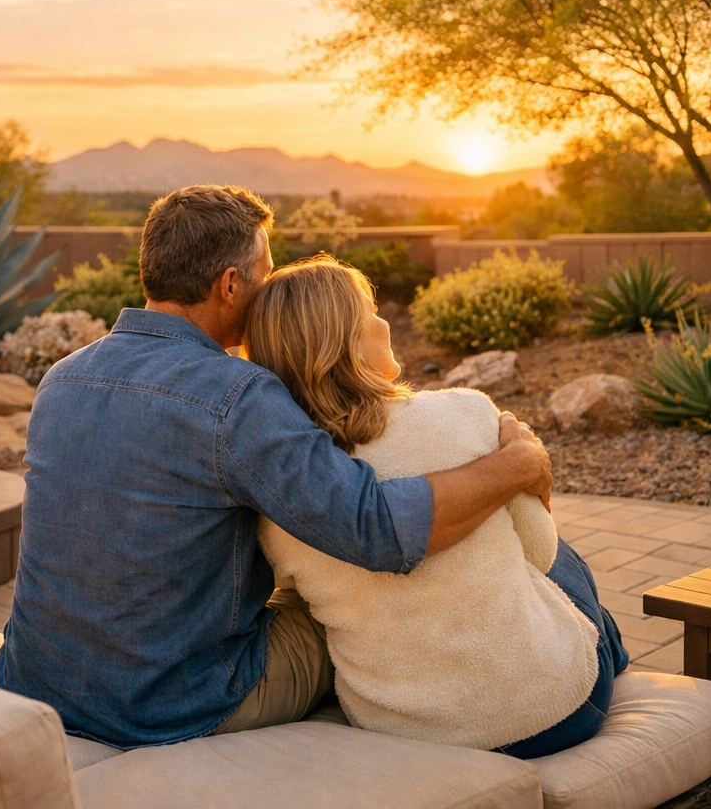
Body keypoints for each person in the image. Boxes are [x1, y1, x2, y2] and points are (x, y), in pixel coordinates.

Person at [0, 184, 552, 748]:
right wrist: (517, 462)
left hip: (38, 678)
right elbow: (376, 529)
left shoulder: (62, 378)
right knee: (354, 607)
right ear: (230, 285)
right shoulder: (235, 395)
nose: (272, 288)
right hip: (165, 704)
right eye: (265, 274)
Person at [248, 256, 629, 757]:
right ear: (343, 339)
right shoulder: (467, 413)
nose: (385, 323)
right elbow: (538, 552)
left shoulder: (280, 489)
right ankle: (613, 646)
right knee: (560, 559)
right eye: (370, 312)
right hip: (556, 711)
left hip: (400, 728)